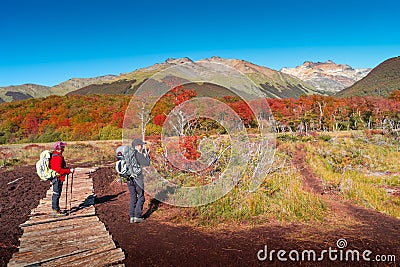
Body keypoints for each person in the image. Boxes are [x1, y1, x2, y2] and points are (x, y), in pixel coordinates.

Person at [128, 139, 151, 223]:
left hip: (129, 179)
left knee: (133, 197)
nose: (142, 147)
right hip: (138, 178)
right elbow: (147, 163)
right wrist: (146, 155)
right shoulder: (138, 154)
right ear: (137, 146)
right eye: (141, 145)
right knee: (141, 197)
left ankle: (132, 217)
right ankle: (137, 216)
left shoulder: (129, 155)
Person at [49, 141, 74, 217]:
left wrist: (67, 170)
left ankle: (56, 209)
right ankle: (55, 211)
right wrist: (69, 171)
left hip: (57, 177)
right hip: (57, 178)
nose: (64, 148)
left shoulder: (56, 155)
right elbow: (58, 170)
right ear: (59, 148)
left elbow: (59, 168)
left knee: (56, 193)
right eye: (63, 147)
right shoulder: (57, 157)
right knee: (56, 194)